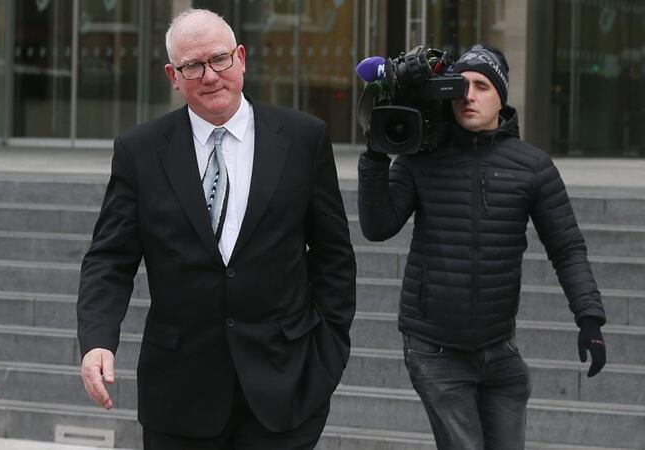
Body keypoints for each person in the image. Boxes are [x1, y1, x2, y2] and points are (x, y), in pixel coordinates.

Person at [76, 8, 356, 450]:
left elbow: (333, 254)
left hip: (285, 387)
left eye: (219, 59)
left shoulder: (303, 138)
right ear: (173, 76)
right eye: (192, 66)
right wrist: (97, 340)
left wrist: (329, 349)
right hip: (180, 394)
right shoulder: (140, 151)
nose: (210, 76)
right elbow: (110, 258)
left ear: (240, 58)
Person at [357, 44, 607, 450]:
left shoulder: (533, 166)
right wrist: (375, 155)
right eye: (461, 85)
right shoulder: (422, 157)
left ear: (501, 98)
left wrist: (590, 319)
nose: (468, 96)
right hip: (434, 349)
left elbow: (567, 248)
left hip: (499, 349)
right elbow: (377, 226)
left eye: (482, 86)